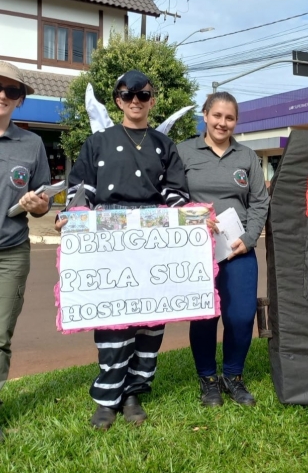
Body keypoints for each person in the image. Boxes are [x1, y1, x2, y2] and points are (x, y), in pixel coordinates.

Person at [57, 70, 189, 430]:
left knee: (149, 318)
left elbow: (177, 193)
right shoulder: (97, 142)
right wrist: (73, 217)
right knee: (115, 317)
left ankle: (133, 391)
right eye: (127, 95)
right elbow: (79, 189)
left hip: (152, 239)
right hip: (109, 239)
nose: (135, 101)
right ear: (117, 100)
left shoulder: (164, 144)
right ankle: (107, 397)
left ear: (152, 100)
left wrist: (190, 221)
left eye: (143, 95)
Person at [177, 92, 269, 407]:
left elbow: (259, 201)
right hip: (198, 251)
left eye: (229, 118)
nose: (222, 123)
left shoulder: (247, 156)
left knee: (241, 316)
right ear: (205, 115)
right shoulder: (184, 152)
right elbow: (171, 195)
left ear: (236, 122)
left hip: (237, 250)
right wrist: (194, 218)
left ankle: (233, 376)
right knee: (204, 316)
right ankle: (208, 380)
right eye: (217, 115)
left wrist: (251, 236)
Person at [0, 61, 51, 440]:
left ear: (20, 100)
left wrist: (39, 205)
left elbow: (46, 198)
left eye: (12, 91)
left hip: (11, 252)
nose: (3, 95)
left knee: (0, 334)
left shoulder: (31, 144)